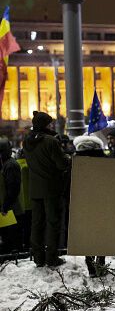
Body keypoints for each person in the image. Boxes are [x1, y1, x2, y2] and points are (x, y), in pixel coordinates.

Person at [23, 111, 70, 267]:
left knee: (36, 223)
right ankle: (51, 258)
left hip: (35, 189)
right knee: (52, 223)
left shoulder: (26, 141)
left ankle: (38, 258)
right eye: (50, 123)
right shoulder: (51, 141)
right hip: (51, 188)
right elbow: (61, 164)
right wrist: (67, 158)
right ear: (45, 125)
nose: (52, 126)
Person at [72, 135, 108, 277]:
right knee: (102, 232)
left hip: (82, 203)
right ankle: (101, 262)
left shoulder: (76, 161)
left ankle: (90, 264)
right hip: (102, 203)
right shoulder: (104, 160)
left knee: (86, 233)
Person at [0, 138, 22, 255]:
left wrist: (5, 206)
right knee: (7, 237)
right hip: (7, 208)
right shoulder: (5, 164)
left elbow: (13, 188)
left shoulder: (11, 165)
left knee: (12, 237)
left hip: (11, 210)